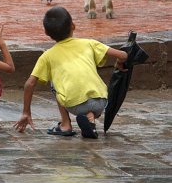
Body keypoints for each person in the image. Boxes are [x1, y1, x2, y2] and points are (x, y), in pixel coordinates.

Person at [14, 7, 127, 139]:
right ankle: (90, 118)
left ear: (46, 32)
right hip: (101, 101)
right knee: (85, 84)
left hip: (76, 105)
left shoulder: (47, 56)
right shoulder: (89, 43)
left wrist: (26, 112)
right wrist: (119, 62)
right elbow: (123, 55)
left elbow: (30, 84)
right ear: (73, 26)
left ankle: (65, 124)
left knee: (55, 81)